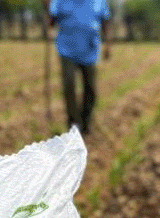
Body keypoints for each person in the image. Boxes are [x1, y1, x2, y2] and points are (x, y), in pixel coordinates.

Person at [45, 0, 111, 135]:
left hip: (89, 51)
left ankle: (85, 123)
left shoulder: (98, 2)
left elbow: (104, 21)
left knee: (91, 89)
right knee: (69, 85)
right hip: (66, 50)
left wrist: (108, 44)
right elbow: (52, 20)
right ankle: (73, 124)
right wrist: (48, 24)